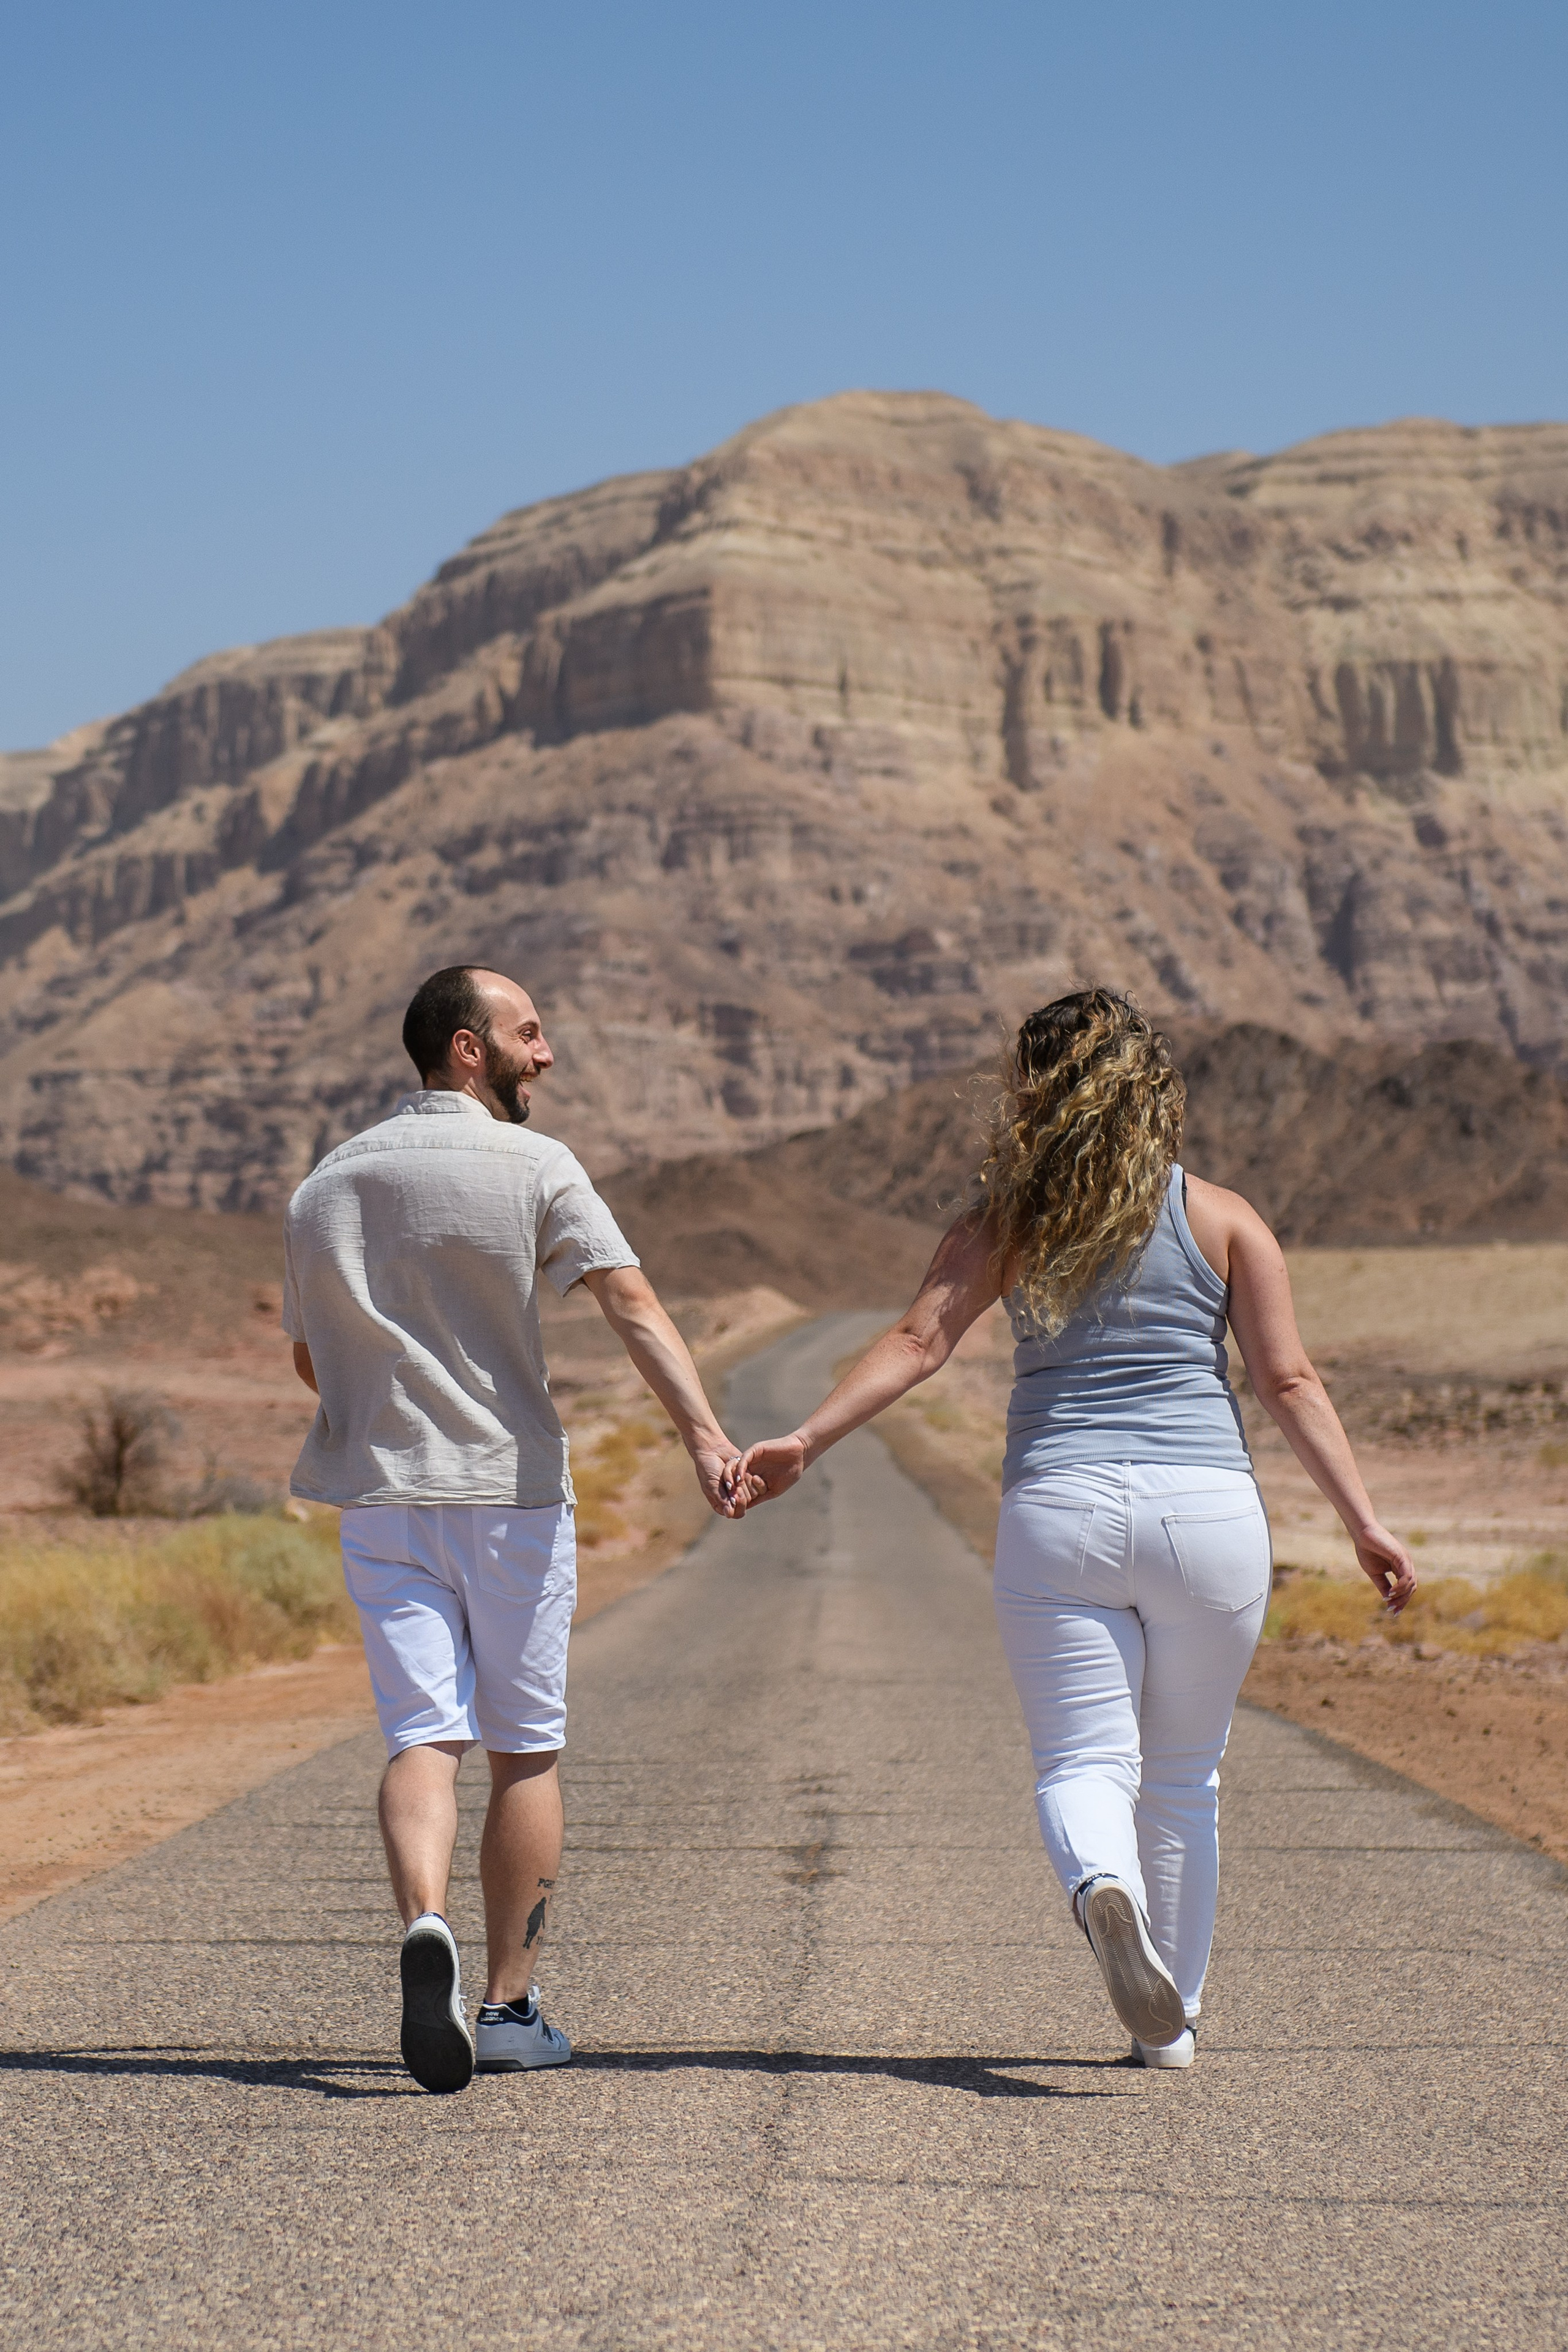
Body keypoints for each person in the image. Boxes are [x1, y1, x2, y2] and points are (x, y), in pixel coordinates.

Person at [736, 989, 1415, 2067]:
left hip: (1063, 1510)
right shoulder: (1226, 1218)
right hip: (1208, 1517)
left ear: (1034, 1100)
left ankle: (1103, 1885)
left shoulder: (1007, 1223)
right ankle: (1171, 2034)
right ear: (1153, 1093)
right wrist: (1363, 1522)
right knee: (1184, 1778)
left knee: (1083, 1760)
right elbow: (1288, 1380)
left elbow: (918, 1341)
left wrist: (806, 1440)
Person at [284, 965, 748, 2093]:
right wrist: (703, 1439)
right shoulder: (537, 1165)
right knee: (524, 1748)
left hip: (385, 1499)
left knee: (421, 1737)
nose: (545, 1055)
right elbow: (631, 1304)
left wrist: (384, 1409)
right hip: (511, 1496)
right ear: (467, 1048)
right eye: (528, 1033)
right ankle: (506, 2006)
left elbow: (310, 1355)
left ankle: (424, 1922)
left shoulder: (326, 1185)